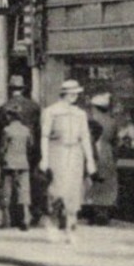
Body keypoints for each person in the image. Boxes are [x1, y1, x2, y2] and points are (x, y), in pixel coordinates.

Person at [40, 78, 94, 244]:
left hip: (75, 153)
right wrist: (45, 158)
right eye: (71, 93)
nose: (74, 96)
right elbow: (44, 136)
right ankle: (52, 225)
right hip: (57, 151)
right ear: (63, 94)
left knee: (74, 192)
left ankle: (70, 228)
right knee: (57, 191)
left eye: (76, 93)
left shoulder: (80, 114)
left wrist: (90, 160)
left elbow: (85, 137)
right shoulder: (51, 112)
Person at [0, 74, 44, 227]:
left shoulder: (4, 107)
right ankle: (31, 214)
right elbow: (39, 130)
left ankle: (11, 216)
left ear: (10, 89)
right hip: (30, 150)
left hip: (10, 151)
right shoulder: (34, 107)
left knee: (8, 184)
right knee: (27, 184)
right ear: (24, 89)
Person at [85, 92, 118, 225]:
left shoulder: (91, 120)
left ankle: (94, 212)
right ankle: (104, 212)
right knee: (107, 183)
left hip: (94, 149)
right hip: (108, 151)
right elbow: (115, 141)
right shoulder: (112, 121)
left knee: (94, 181)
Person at [0, 109, 33, 230]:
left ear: (10, 117)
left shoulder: (7, 130)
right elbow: (30, 145)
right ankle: (26, 219)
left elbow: (2, 148)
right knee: (24, 192)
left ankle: (6, 220)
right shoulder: (26, 130)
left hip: (9, 164)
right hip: (23, 164)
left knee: (7, 191)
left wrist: (2, 159)